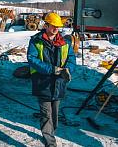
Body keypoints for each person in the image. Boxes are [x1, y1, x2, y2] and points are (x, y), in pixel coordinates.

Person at [27, 12, 76, 147]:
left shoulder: (65, 43)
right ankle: (50, 142)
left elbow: (71, 59)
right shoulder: (36, 41)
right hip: (43, 83)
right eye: (53, 26)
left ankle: (51, 132)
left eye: (58, 26)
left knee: (54, 114)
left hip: (59, 84)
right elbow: (32, 59)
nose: (56, 29)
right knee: (46, 113)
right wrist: (51, 69)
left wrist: (68, 70)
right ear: (46, 25)